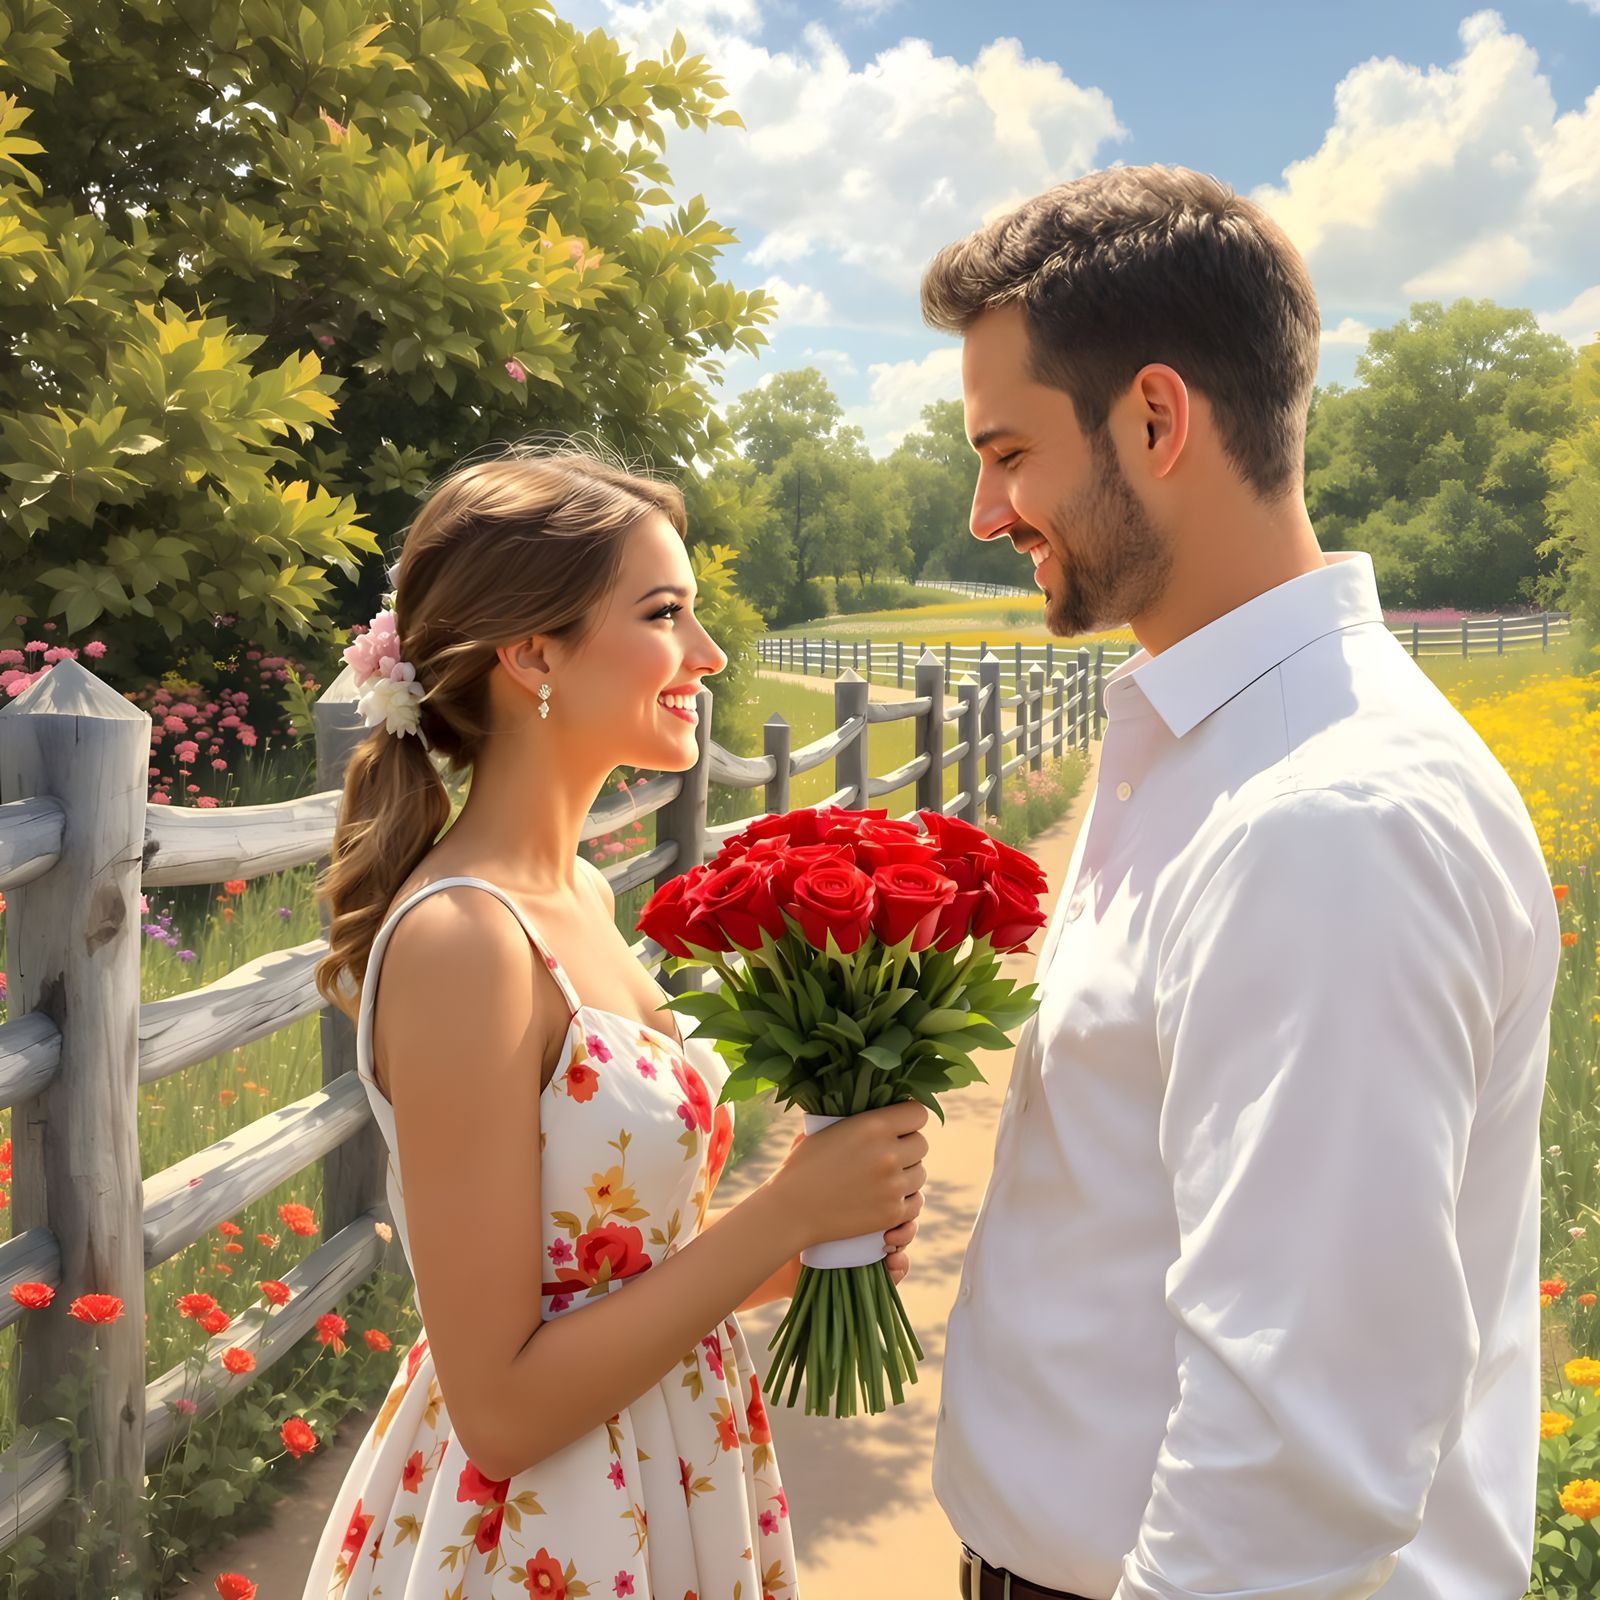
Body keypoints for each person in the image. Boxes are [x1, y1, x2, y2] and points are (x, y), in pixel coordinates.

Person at [923, 166, 1559, 1600]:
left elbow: (1295, 1465)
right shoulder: (1211, 747)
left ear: (1156, 420)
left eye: (1008, 451)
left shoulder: (1326, 820)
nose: (985, 509)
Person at [303, 445, 929, 1599]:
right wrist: (782, 1212)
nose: (709, 653)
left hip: (668, 1474)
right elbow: (498, 1408)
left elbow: (602, 1287)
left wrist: (800, 1243)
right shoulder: (466, 941)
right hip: (543, 1532)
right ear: (530, 651)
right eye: (664, 613)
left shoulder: (582, 896)